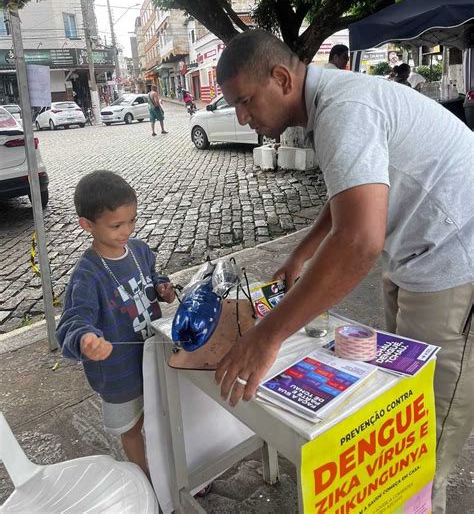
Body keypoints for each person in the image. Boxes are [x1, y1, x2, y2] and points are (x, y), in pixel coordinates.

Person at [214, 29, 473, 514]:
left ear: (281, 77)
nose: (242, 117)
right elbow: (351, 198)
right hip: (417, 257)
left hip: (456, 263)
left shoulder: (342, 112)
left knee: (423, 441)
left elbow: (358, 243)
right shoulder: (333, 100)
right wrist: (303, 252)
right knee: (401, 403)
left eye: (246, 101)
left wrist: (268, 335)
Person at [56, 171, 176, 477]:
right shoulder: (87, 274)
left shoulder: (139, 251)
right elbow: (73, 320)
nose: (127, 230)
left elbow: (153, 276)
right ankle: (145, 478)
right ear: (87, 225)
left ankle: (171, 473)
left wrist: (162, 288)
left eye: (132, 221)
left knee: (163, 415)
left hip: (155, 356)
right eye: (116, 225)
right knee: (133, 428)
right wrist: (85, 340)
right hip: (119, 372)